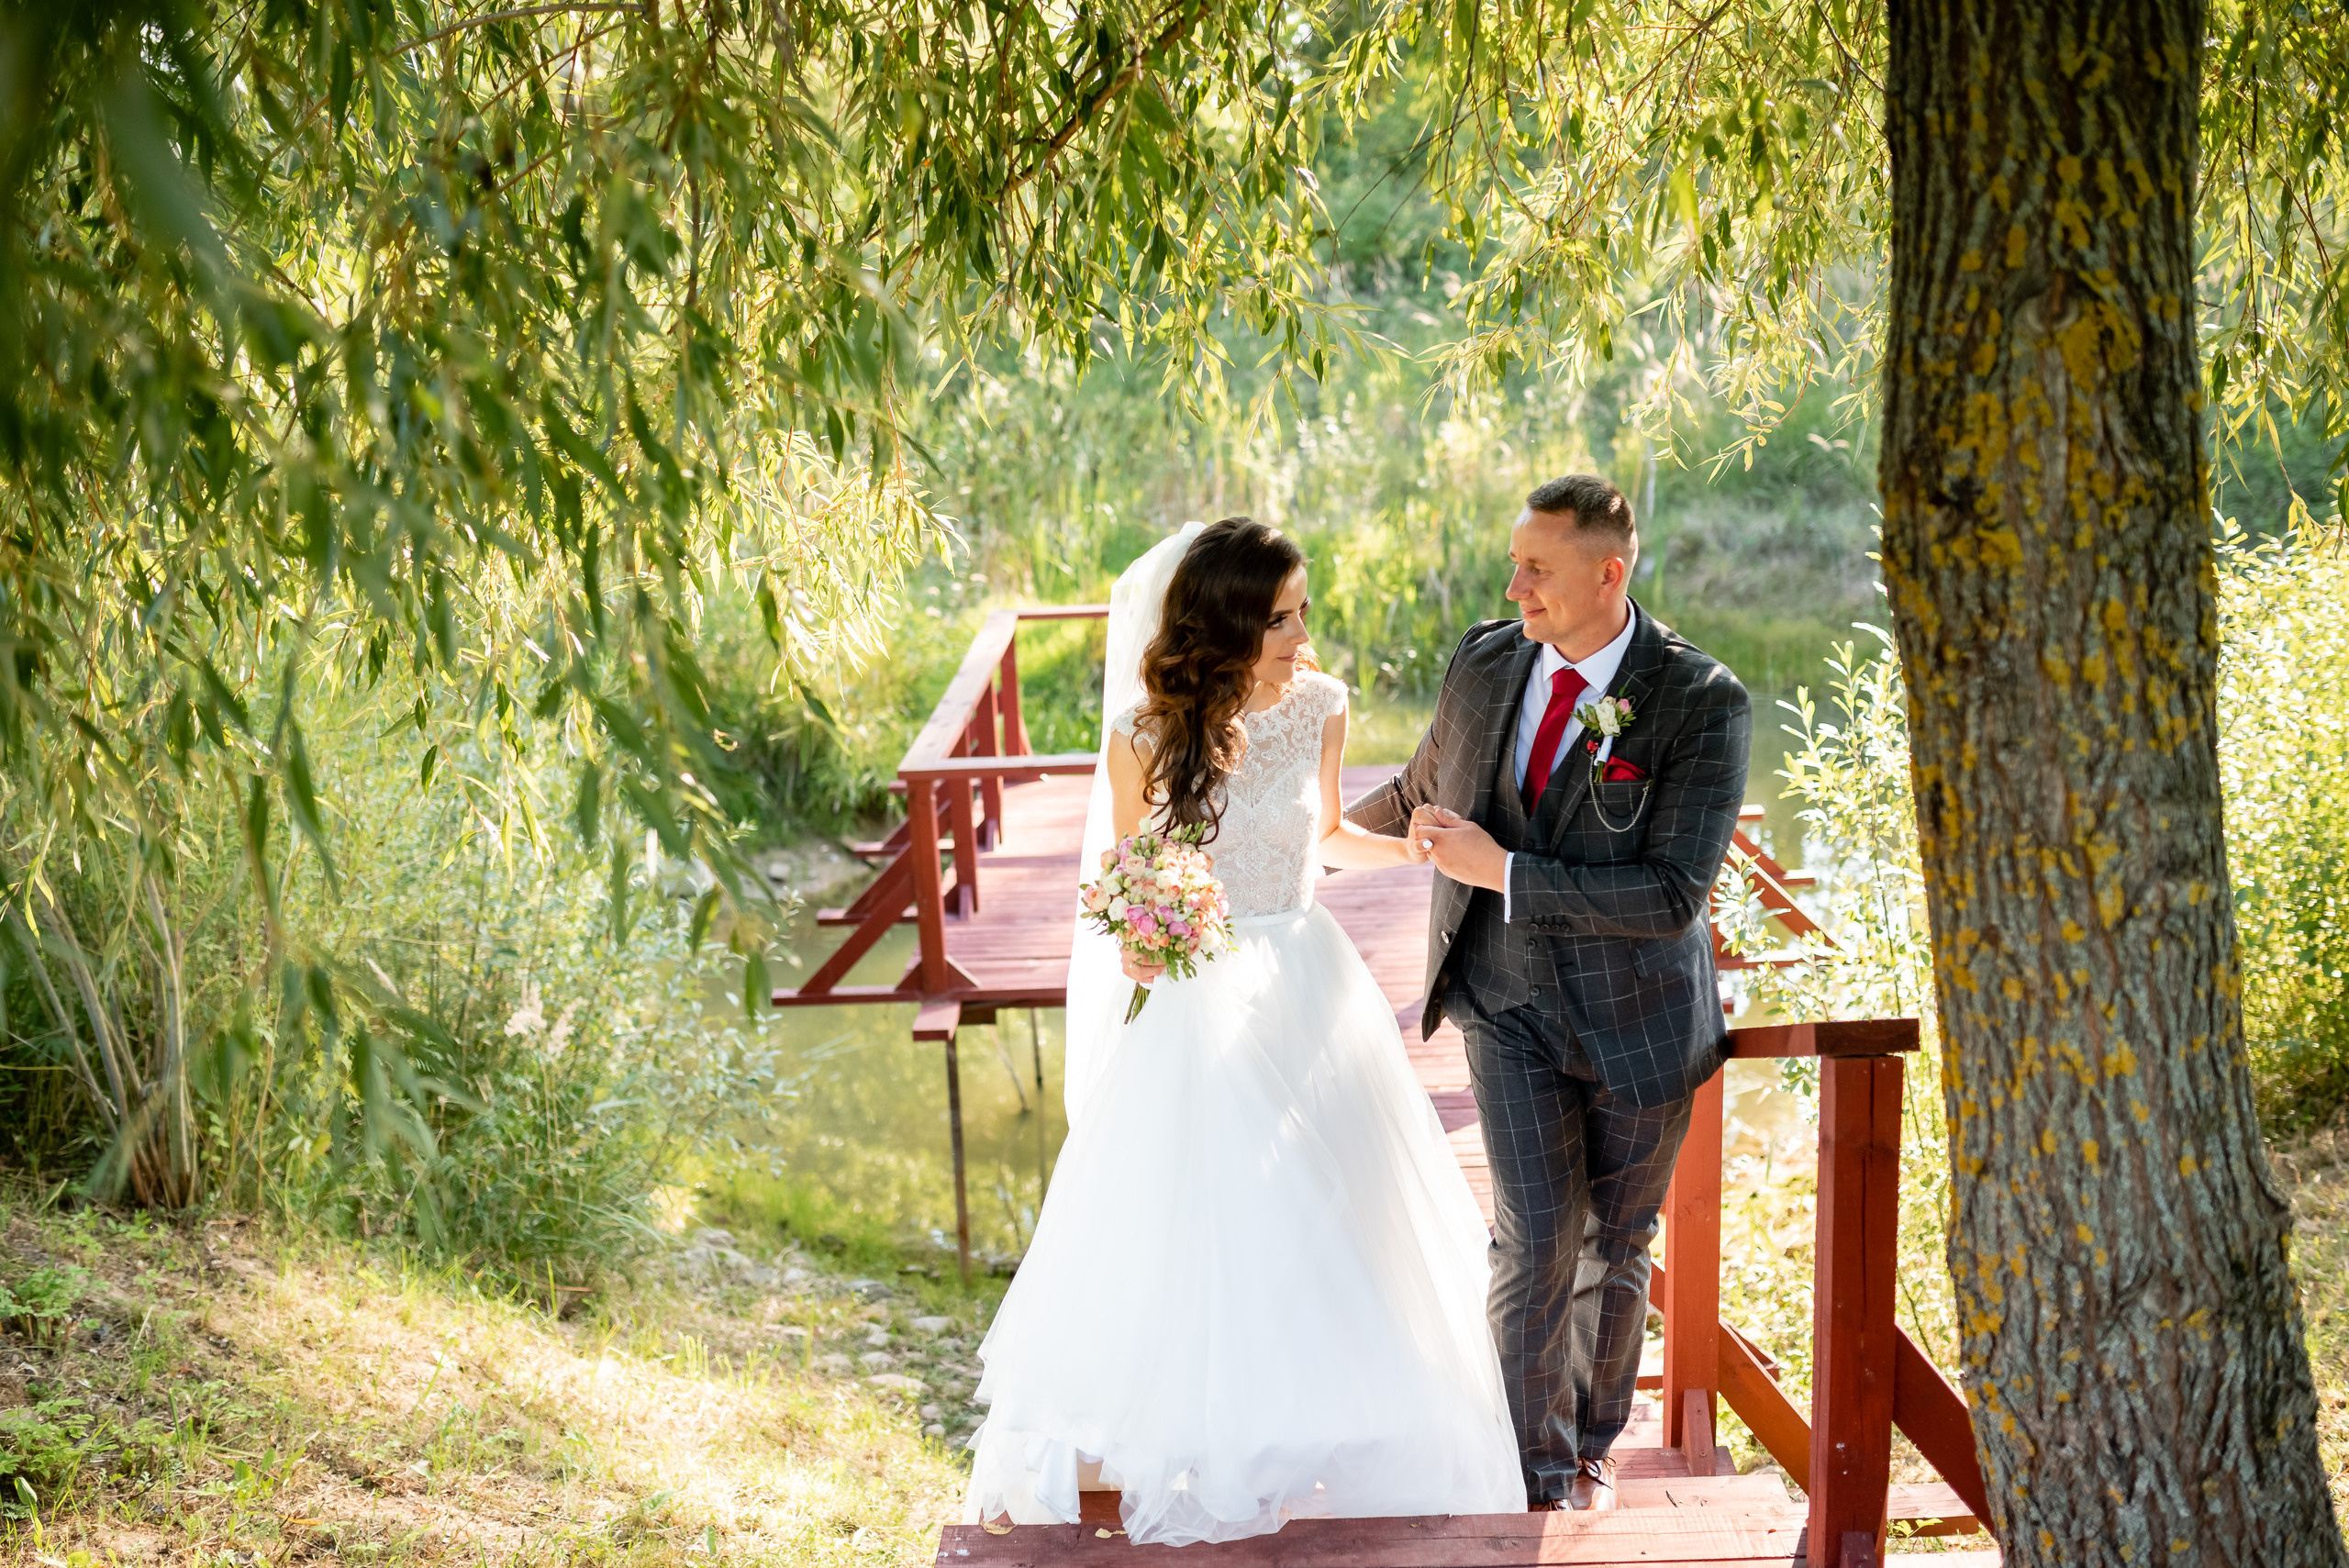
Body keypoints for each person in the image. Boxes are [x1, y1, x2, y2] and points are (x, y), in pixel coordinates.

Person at [963, 517, 1522, 1545]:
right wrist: (1141, 944)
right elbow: (1132, 877)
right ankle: (1209, 1436)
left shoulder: (1322, 704)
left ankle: (1325, 1435)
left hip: (1309, 980)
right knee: (1213, 1216)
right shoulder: (1142, 735)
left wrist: (1412, 851)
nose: (1301, 635)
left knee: (1336, 1210)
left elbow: (1328, 838)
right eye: (1278, 618)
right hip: (1200, 996)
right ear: (1222, 624)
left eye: (1303, 611)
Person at [1345, 475, 1751, 1512]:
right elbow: (1420, 790)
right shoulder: (1485, 660)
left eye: (1537, 568)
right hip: (1506, 1002)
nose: (1514, 586)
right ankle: (1527, 1470)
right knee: (1535, 1237)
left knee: (1615, 1241)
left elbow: (1672, 892)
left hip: (1642, 1022)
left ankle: (1588, 1447)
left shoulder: (1701, 700)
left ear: (1608, 573)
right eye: (1514, 562)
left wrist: (1507, 872)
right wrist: (1286, 846)